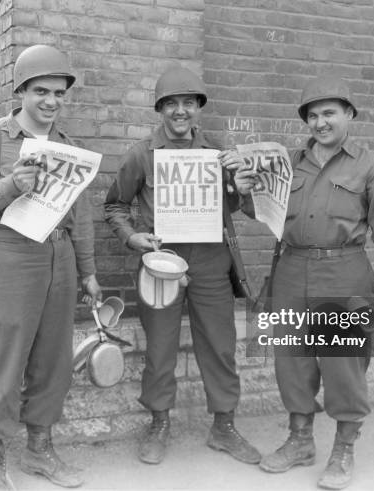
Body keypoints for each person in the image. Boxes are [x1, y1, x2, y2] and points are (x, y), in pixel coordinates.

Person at [234, 74, 374, 489]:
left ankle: (344, 448)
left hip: (344, 272)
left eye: (329, 113)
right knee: (291, 361)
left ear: (348, 114)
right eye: (312, 115)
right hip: (292, 270)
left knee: (343, 364)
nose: (320, 122)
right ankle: (299, 441)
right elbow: (262, 209)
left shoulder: (370, 167)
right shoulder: (287, 164)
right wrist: (241, 194)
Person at [0, 44, 101, 490]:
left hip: (57, 258)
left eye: (59, 93)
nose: (51, 101)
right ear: (21, 91)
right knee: (1, 357)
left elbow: (81, 215)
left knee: (52, 359)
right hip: (9, 254)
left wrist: (89, 272)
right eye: (41, 91)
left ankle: (40, 450)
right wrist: (8, 185)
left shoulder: (68, 147)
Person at [104, 66, 260, 466]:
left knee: (221, 345)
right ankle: (158, 422)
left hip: (210, 260)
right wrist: (132, 237)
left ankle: (224, 425)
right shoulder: (142, 154)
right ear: (160, 109)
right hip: (161, 261)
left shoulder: (217, 154)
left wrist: (239, 190)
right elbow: (115, 204)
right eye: (171, 103)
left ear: (198, 109)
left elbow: (235, 206)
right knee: (160, 348)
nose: (180, 111)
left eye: (188, 103)